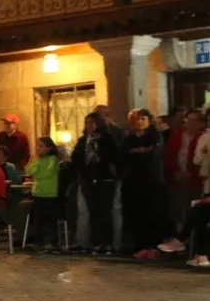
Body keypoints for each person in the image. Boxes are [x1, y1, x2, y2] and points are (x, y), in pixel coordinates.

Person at [72, 112, 121, 255]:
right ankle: (96, 241)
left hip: (104, 179)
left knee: (105, 211)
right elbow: (77, 158)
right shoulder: (83, 140)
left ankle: (107, 243)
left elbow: (115, 156)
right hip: (88, 179)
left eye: (92, 123)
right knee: (93, 211)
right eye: (87, 123)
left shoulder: (107, 138)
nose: (89, 126)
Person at [123, 109, 163, 260]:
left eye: (143, 119)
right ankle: (140, 245)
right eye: (137, 119)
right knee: (137, 214)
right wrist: (141, 151)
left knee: (153, 213)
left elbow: (153, 155)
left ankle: (153, 246)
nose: (140, 122)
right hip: (134, 181)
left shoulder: (155, 136)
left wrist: (138, 152)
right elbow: (125, 156)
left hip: (151, 181)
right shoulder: (130, 138)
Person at [26, 137, 61, 252]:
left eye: (41, 146)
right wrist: (36, 164)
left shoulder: (53, 159)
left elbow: (47, 172)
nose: (38, 148)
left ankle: (50, 242)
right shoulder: (37, 159)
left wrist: (36, 175)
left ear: (49, 148)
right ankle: (38, 241)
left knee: (49, 219)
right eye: (37, 145)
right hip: (37, 192)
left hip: (49, 193)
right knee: (38, 219)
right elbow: (29, 171)